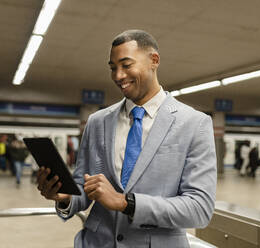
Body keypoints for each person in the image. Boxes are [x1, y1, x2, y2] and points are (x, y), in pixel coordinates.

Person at [37, 30, 217, 248]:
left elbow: (199, 208)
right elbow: (84, 187)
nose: (118, 76)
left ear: (154, 60)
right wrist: (65, 197)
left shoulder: (194, 123)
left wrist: (126, 203)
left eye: (126, 65)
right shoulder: (97, 121)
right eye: (113, 68)